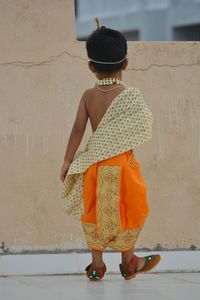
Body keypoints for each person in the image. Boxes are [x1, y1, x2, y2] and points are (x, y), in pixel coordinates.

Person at [60, 18, 161, 281]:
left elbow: (77, 130)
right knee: (129, 208)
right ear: (125, 64)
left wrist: (67, 161)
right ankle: (128, 262)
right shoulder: (130, 96)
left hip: (94, 166)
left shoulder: (88, 96)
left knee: (94, 210)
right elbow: (144, 124)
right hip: (123, 166)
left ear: (91, 67)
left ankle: (96, 266)